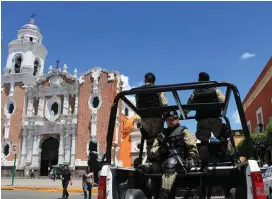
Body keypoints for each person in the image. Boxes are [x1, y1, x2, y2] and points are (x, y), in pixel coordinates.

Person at [138, 110, 199, 199]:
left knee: (170, 164)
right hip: (161, 161)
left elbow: (192, 148)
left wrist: (191, 161)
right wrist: (161, 149)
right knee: (142, 169)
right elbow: (151, 153)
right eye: (169, 119)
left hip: (178, 162)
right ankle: (146, 193)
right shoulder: (162, 134)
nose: (171, 121)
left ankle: (164, 195)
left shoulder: (184, 131)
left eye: (174, 118)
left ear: (178, 119)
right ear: (166, 121)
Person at [187, 72, 234, 166]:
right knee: (224, 136)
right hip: (215, 120)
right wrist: (219, 109)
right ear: (208, 79)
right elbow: (224, 101)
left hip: (202, 121)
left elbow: (188, 105)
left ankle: (204, 165)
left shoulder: (195, 92)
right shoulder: (215, 90)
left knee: (203, 142)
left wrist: (182, 114)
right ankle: (230, 157)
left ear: (199, 80)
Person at [135, 72, 168, 160]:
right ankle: (159, 160)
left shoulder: (138, 91)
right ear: (154, 81)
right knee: (158, 139)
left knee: (149, 140)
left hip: (145, 119)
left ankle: (151, 159)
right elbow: (164, 103)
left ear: (145, 80)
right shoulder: (159, 89)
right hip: (157, 118)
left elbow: (138, 105)